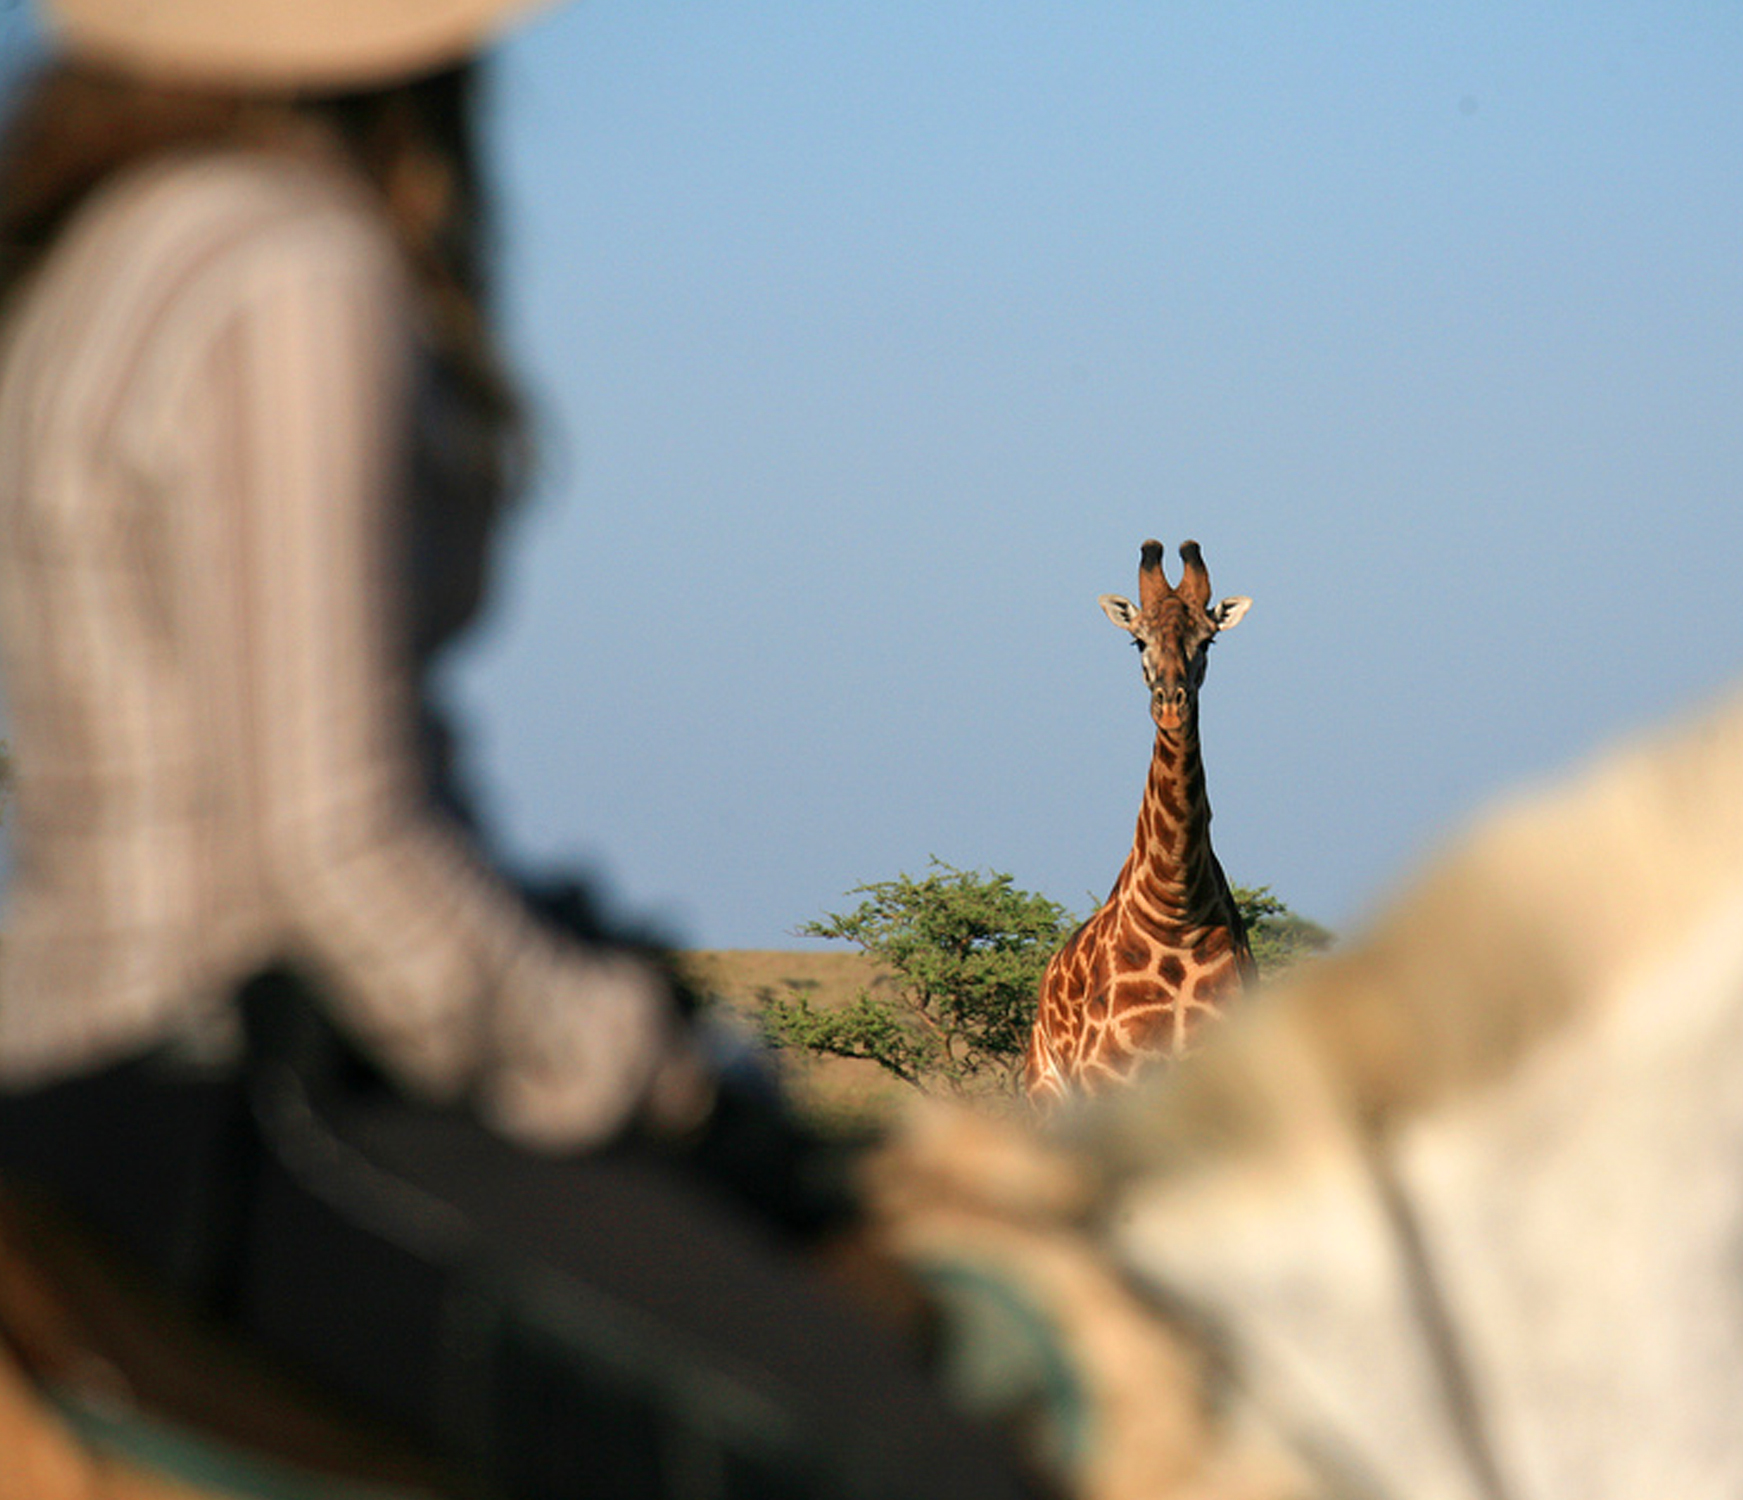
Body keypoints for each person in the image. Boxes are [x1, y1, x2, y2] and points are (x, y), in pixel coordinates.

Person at [0, 3, 1043, 1496]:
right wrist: (641, 1070)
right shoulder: (286, 268)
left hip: (83, 1069)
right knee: (930, 1466)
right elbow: (340, 859)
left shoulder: (107, 253)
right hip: (255, 1094)